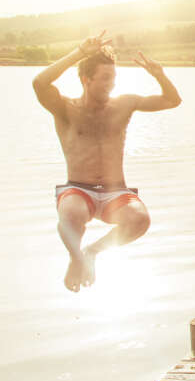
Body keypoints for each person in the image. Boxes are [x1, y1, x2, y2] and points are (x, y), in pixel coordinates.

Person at [32, 32, 182, 292]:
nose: (111, 84)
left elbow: (172, 101)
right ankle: (76, 258)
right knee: (71, 213)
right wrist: (79, 52)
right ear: (85, 79)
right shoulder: (65, 108)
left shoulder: (124, 104)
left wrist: (159, 75)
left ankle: (91, 252)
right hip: (78, 190)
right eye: (105, 79)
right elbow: (39, 83)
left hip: (116, 192)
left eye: (113, 78)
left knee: (140, 220)